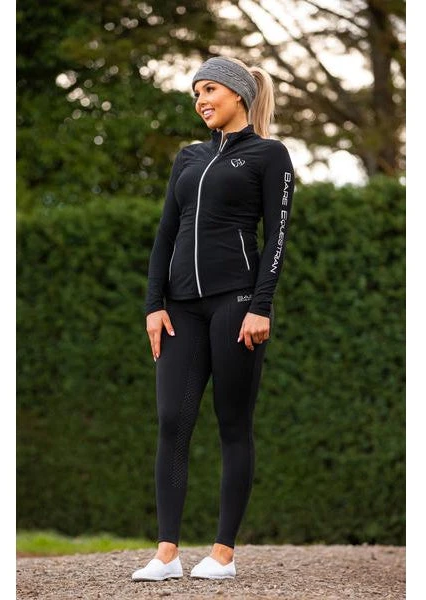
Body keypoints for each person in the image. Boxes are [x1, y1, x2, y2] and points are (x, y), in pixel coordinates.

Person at [132, 55, 295, 582]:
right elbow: (166, 233)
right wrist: (154, 304)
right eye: (196, 93)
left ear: (237, 94)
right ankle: (166, 553)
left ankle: (223, 553)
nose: (201, 100)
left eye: (209, 90)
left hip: (235, 304)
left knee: (233, 425)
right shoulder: (189, 157)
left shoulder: (269, 155)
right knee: (171, 422)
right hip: (180, 309)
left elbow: (277, 237)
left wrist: (260, 306)